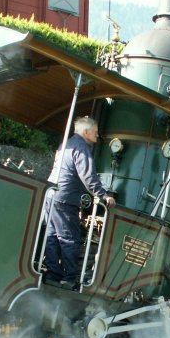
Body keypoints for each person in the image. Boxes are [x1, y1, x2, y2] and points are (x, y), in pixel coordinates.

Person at [44, 116, 115, 285]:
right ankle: (70, 278)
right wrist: (103, 195)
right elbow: (88, 176)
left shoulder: (66, 144)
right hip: (66, 197)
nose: (97, 136)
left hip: (51, 194)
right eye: (95, 133)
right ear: (86, 132)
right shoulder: (82, 147)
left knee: (52, 235)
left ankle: (53, 274)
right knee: (69, 238)